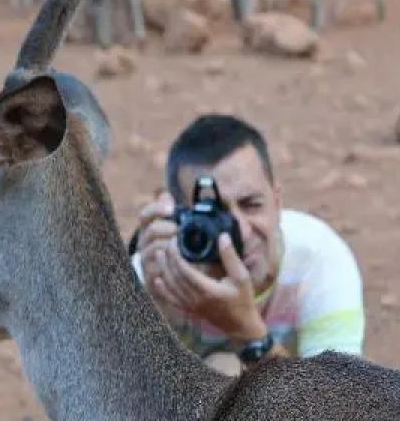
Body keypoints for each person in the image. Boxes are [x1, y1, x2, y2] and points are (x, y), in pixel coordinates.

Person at [131, 114, 365, 373]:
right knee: (222, 370)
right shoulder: (156, 273)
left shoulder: (319, 261)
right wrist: (150, 316)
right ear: (178, 217)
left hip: (286, 410)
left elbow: (333, 409)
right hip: (189, 409)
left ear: (276, 202)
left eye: (251, 205)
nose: (240, 231)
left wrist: (249, 333)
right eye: (214, 215)